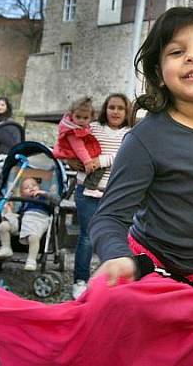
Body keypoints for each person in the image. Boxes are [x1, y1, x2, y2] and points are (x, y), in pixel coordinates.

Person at [0, 7, 193, 365]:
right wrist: (116, 256)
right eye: (176, 51)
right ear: (159, 73)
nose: (192, 55)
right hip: (148, 284)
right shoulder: (147, 137)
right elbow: (109, 216)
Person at [68, 93, 132, 299]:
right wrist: (72, 161)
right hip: (86, 191)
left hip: (114, 193)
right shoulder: (92, 128)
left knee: (116, 238)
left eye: (120, 108)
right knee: (87, 237)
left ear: (126, 111)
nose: (115, 112)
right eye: (111, 107)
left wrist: (100, 160)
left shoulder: (131, 133)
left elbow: (126, 155)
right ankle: (80, 280)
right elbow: (71, 145)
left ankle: (111, 284)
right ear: (105, 109)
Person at [0, 177, 51, 271]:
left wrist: (44, 193)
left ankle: (31, 260)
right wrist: (9, 210)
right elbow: (18, 216)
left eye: (34, 185)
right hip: (23, 219)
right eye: (27, 187)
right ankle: (6, 248)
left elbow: (56, 200)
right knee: (3, 226)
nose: (31, 188)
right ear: (22, 195)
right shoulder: (24, 203)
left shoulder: (44, 198)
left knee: (33, 237)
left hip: (37, 219)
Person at [52, 97, 106, 191]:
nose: (81, 120)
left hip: (74, 155)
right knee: (97, 168)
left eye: (85, 118)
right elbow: (79, 148)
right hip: (74, 155)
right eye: (78, 117)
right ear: (71, 115)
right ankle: (91, 188)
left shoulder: (76, 126)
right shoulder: (72, 131)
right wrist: (87, 162)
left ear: (91, 117)